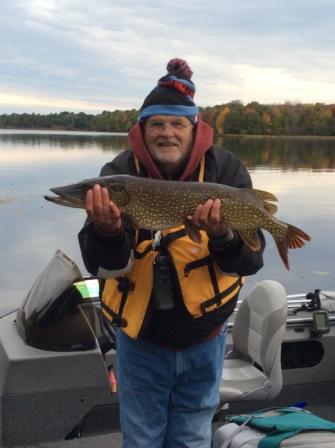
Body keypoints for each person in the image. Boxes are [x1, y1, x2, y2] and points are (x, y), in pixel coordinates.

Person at [78, 58, 265, 448]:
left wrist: (224, 236)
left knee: (192, 438)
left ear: (194, 129)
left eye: (177, 123)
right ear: (141, 130)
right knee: (142, 439)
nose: (167, 133)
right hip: (140, 343)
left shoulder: (226, 171)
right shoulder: (117, 176)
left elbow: (251, 260)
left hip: (206, 340)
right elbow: (101, 267)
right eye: (156, 124)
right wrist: (108, 230)